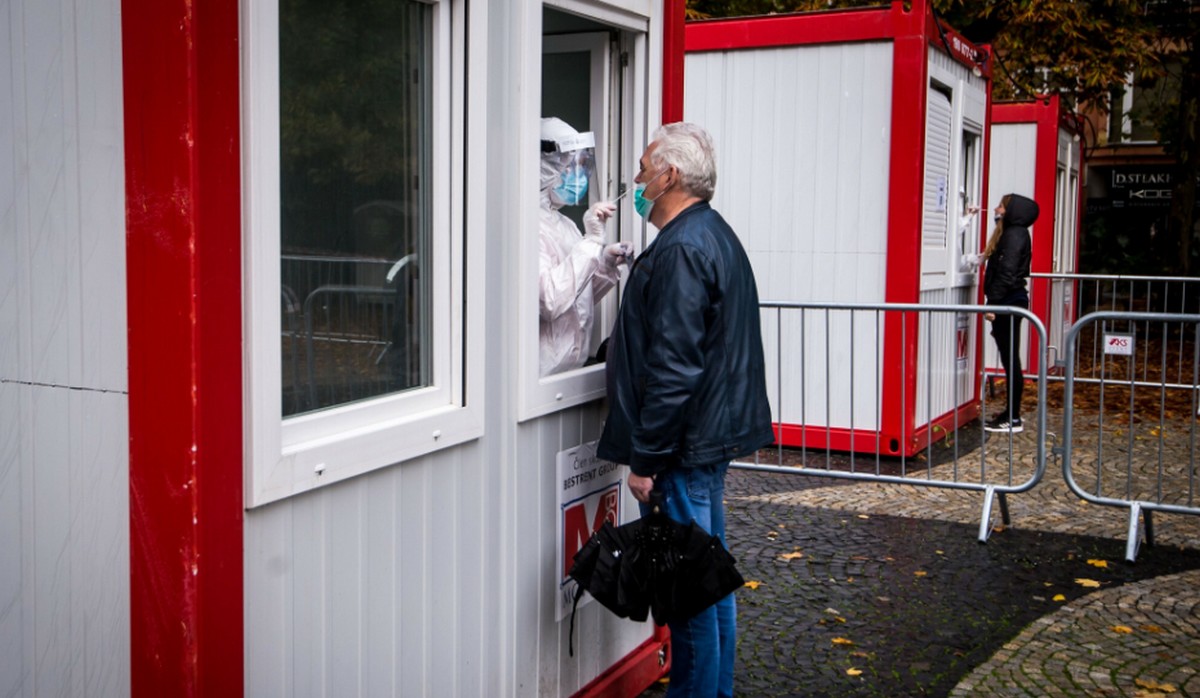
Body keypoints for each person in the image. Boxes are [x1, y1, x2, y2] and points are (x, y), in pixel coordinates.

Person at [597, 122, 774, 698]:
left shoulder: (682, 249)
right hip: (703, 444)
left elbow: (674, 368)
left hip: (681, 451)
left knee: (690, 599)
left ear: (671, 175)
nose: (637, 181)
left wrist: (646, 459)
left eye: (645, 168)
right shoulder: (709, 235)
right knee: (708, 587)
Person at [538, 117, 633, 376]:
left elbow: (577, 296)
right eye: (569, 168)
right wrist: (591, 241)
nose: (578, 177)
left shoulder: (564, 224)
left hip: (570, 375)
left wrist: (605, 263)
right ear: (544, 167)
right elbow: (550, 302)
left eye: (581, 167)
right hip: (539, 381)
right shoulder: (526, 227)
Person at [981, 193, 1038, 433]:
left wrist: (993, 302)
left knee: (1011, 359)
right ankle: (1010, 414)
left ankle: (1012, 418)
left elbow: (1006, 271)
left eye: (1001, 206)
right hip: (1009, 300)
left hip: (1008, 301)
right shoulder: (1015, 233)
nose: (996, 209)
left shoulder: (1014, 235)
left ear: (1011, 210)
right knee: (1009, 358)